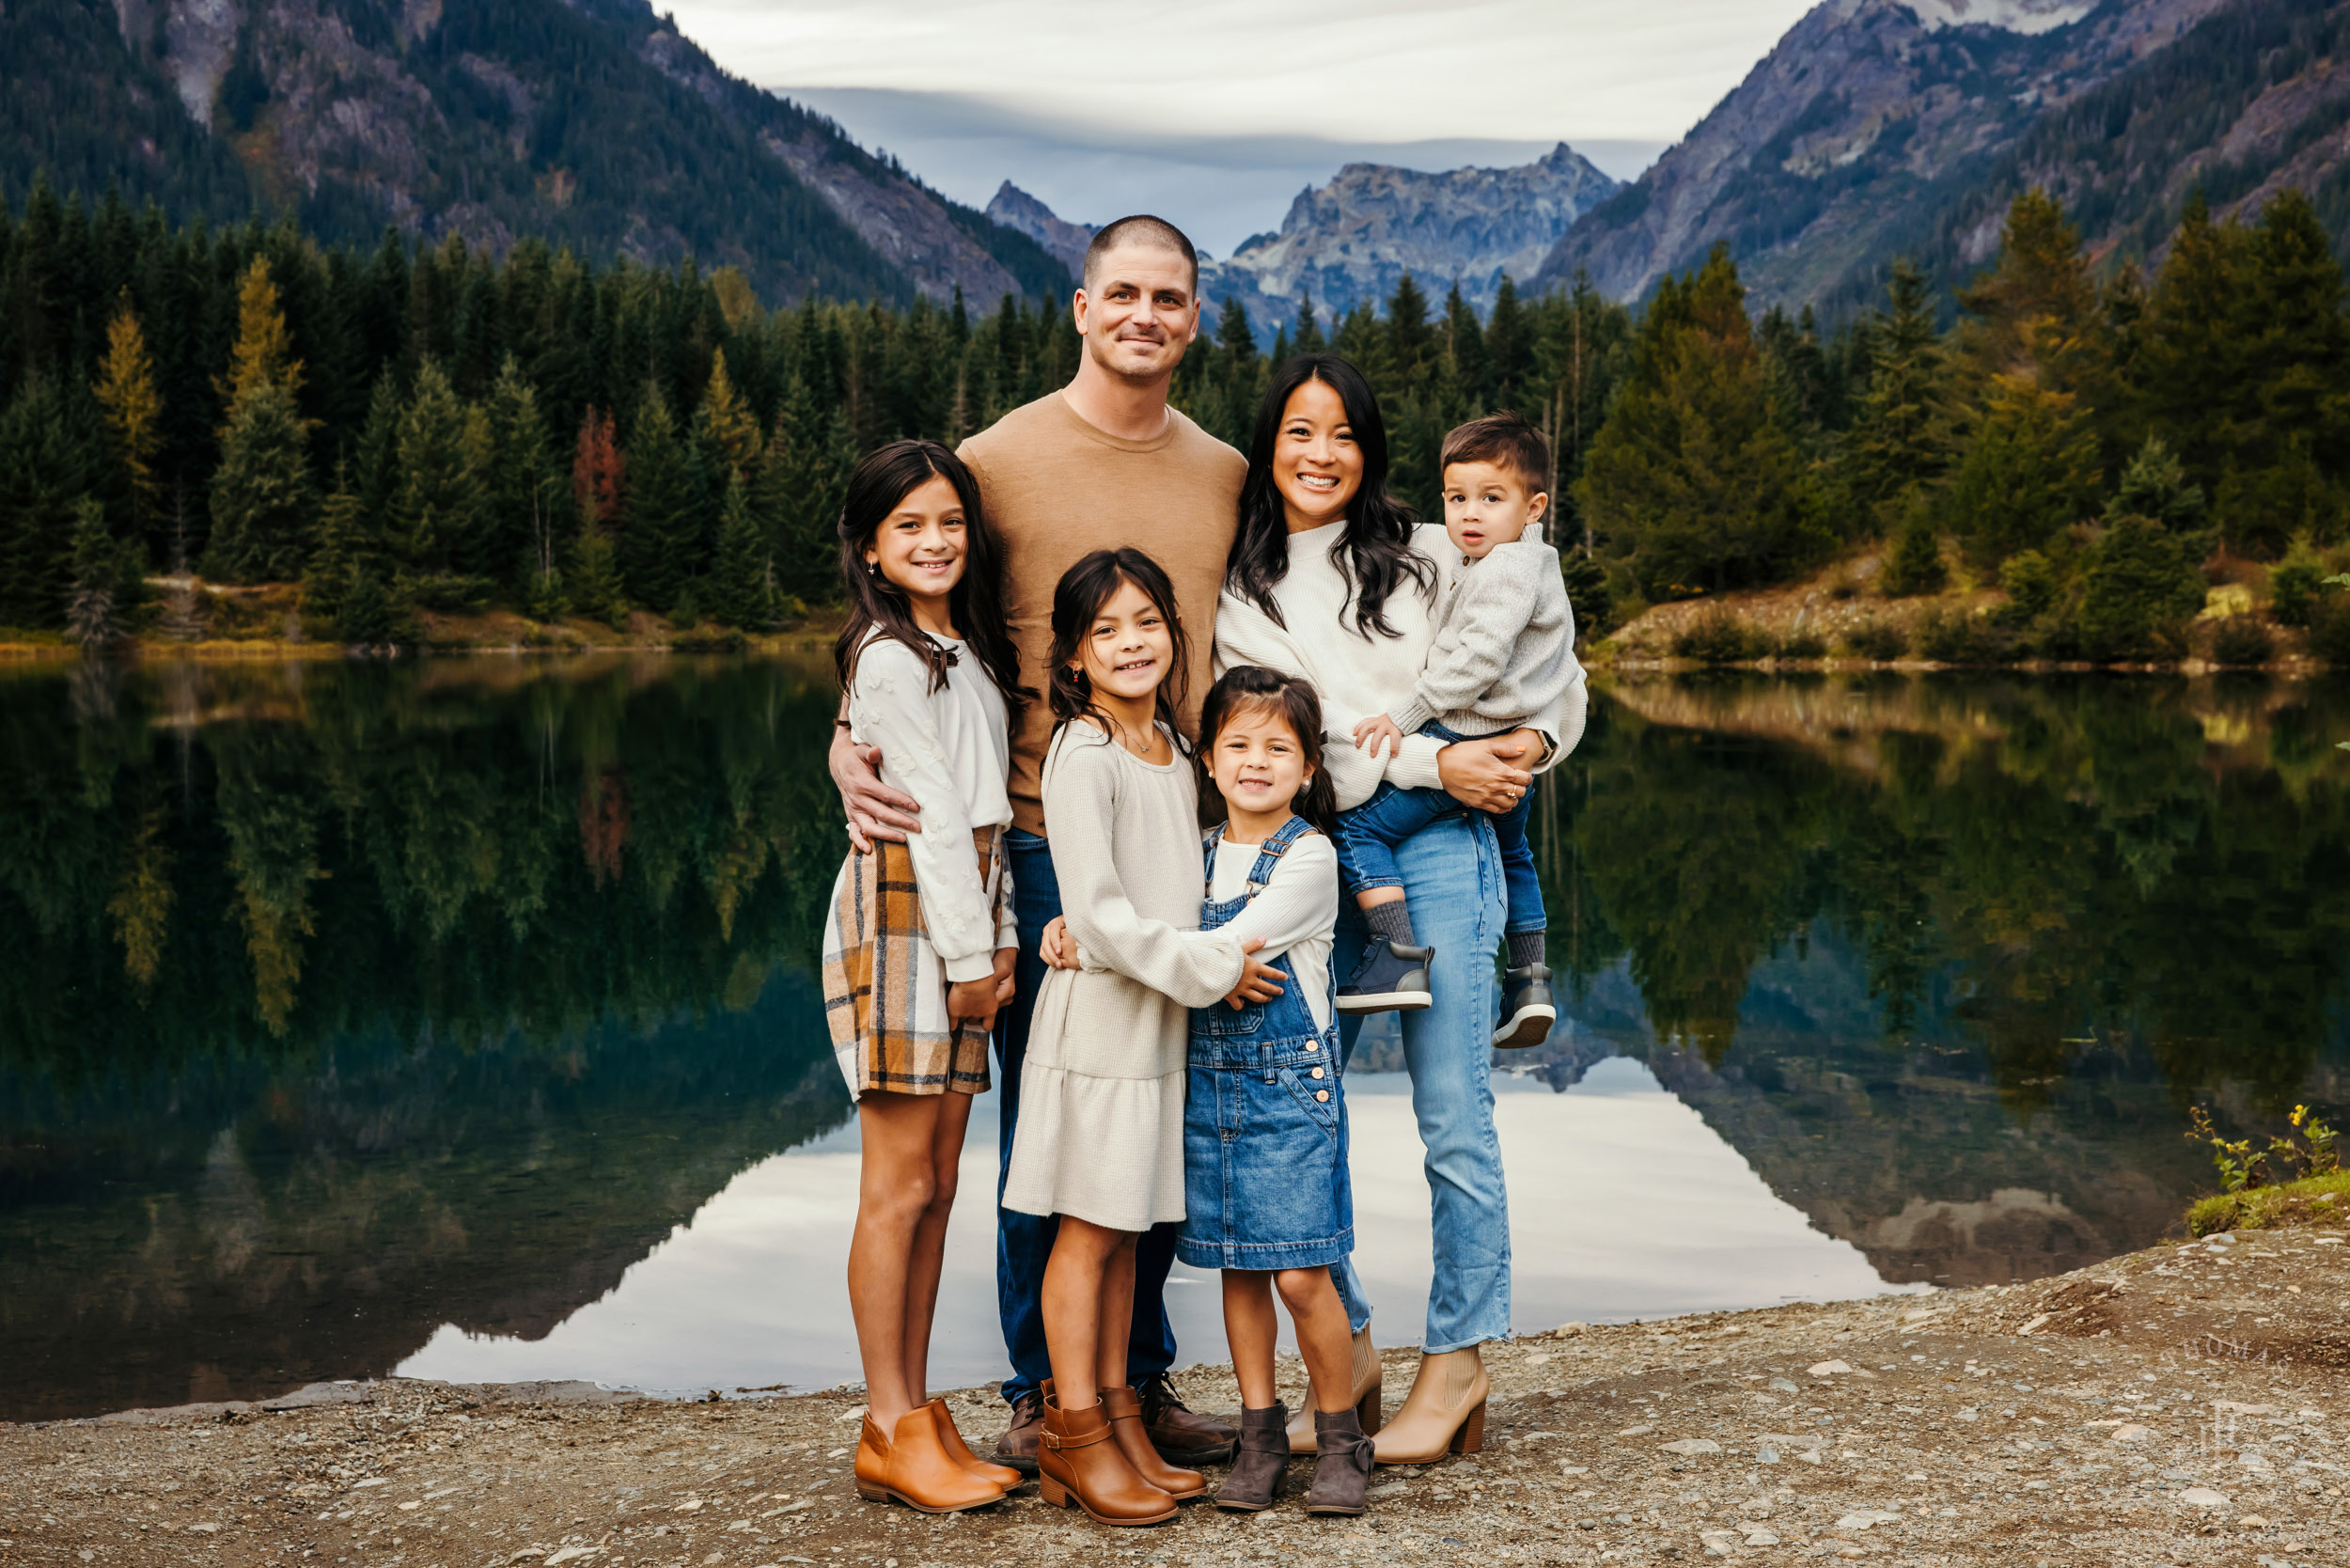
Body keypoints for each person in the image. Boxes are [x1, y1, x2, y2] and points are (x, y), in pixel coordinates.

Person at [828, 215, 1246, 1472]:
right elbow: (912, 616)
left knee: (1155, 1113)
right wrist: (845, 736)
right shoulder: (996, 461)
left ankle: (1137, 1383)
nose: (1145, 317)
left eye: (1169, 299)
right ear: (1079, 307)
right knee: (1056, 1122)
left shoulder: (1225, 470)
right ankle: (1044, 1390)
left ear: (1193, 316)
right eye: (1122, 294)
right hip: (1038, 832)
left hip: (1186, 823)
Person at [1214, 353, 1586, 1465]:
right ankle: (1355, 1341)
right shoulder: (1248, 589)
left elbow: (1553, 667)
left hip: (1446, 858)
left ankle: (1460, 1359)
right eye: (1297, 432)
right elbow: (1302, 739)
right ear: (1268, 446)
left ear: (1368, 450)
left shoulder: (1433, 550)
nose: (1319, 454)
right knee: (1296, 1111)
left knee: (1451, 1117)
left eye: (1340, 434)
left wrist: (1529, 743)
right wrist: (1442, 759)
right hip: (1314, 865)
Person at [1001, 549, 1288, 1527]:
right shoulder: (1082, 751)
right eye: (1106, 630)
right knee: (1085, 1233)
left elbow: (1167, 880)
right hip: (1104, 1031)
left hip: (1157, 1026)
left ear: (1175, 632)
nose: (1131, 643)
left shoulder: (1167, 738)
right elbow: (1103, 915)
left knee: (1127, 1233)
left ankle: (1121, 1420)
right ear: (1074, 656)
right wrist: (1216, 968)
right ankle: (1073, 1436)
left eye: (1147, 622)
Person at [818, 441, 1028, 1514]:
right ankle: (888, 1420)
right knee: (899, 1185)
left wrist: (996, 937)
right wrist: (967, 958)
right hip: (908, 918)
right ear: (870, 547)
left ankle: (911, 1414)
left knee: (940, 1185)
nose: (935, 541)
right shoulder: (891, 657)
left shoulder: (959, 645)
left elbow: (979, 814)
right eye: (909, 527)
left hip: (961, 906)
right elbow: (936, 823)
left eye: (949, 521)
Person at [1167, 666, 1378, 1515]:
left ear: (1308, 769)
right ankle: (1259, 1437)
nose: (1256, 762)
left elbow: (1216, 948)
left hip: (1288, 1093)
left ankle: (1340, 1434)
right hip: (1208, 1092)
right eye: (1238, 746)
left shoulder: (1313, 857)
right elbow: (1183, 950)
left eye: (1278, 748)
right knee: (1239, 1271)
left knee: (1299, 1274)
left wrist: (1186, 959)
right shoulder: (1193, 852)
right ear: (1209, 761)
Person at [1336, 412, 1574, 1047]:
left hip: (1465, 739)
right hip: (1512, 744)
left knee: (1357, 826)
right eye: (1456, 498)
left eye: (1491, 500)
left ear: (1534, 506)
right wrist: (1539, 735)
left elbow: (1477, 661)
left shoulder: (1503, 571)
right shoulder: (1531, 562)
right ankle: (1529, 978)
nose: (1469, 515)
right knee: (1515, 853)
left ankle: (1394, 951)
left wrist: (1405, 717)